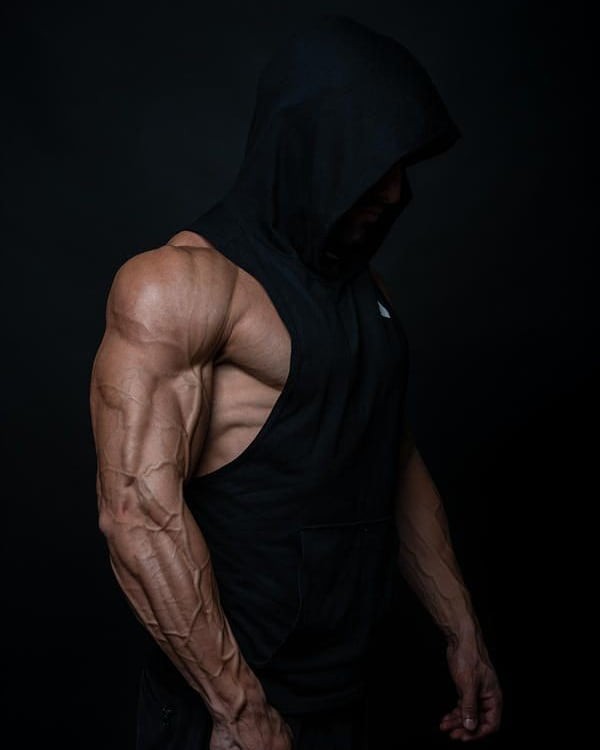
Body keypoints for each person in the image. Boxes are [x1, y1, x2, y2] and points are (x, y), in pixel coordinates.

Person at [89, 13, 502, 749]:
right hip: (230, 711)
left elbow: (392, 456)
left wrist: (461, 629)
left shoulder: (366, 292)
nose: (395, 192)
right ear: (311, 150)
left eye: (403, 166)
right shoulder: (180, 286)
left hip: (348, 689)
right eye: (374, 166)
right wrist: (240, 710)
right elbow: (136, 515)